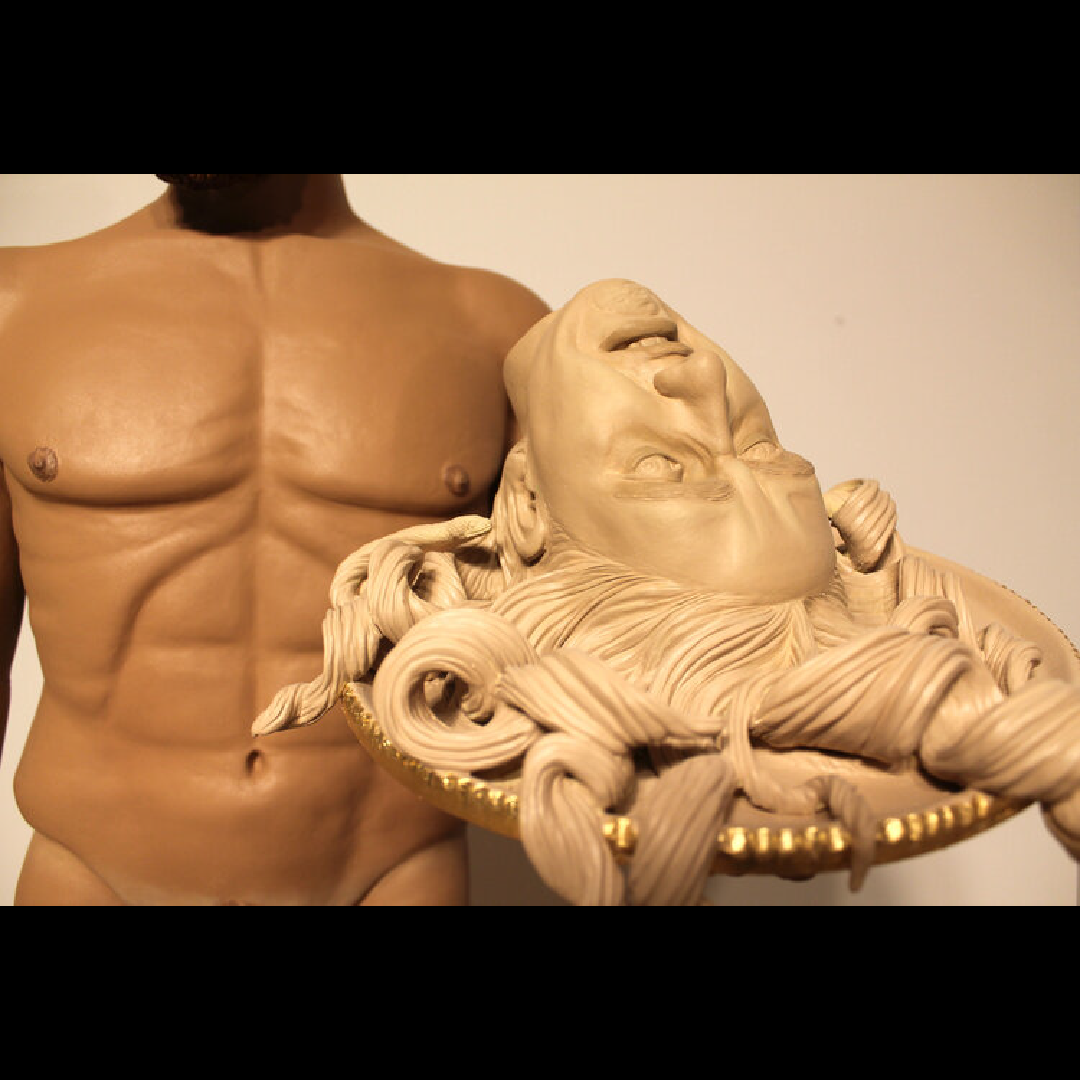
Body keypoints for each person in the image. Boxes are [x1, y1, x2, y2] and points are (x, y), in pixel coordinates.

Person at [255, 279, 1080, 905]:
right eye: (763, 452)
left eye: (661, 468)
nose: (699, 381)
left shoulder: (475, 319)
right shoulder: (486, 329)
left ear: (527, 502)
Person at [0, 173, 549, 905]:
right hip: (89, 873)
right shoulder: (13, 306)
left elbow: (581, 646)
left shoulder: (495, 330)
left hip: (389, 873)